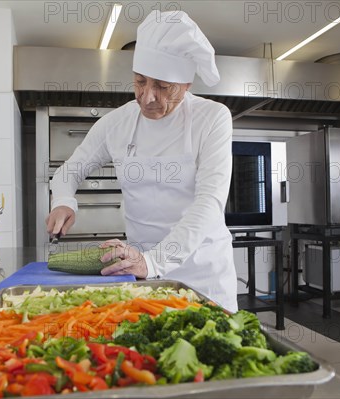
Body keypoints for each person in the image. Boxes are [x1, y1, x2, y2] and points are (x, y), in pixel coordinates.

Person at [46, 10, 237, 312]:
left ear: (187, 85)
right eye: (140, 82)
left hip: (203, 273)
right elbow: (70, 170)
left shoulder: (212, 119)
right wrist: (64, 200)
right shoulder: (116, 123)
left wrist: (154, 261)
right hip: (141, 273)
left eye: (163, 87)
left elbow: (209, 202)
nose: (147, 97)